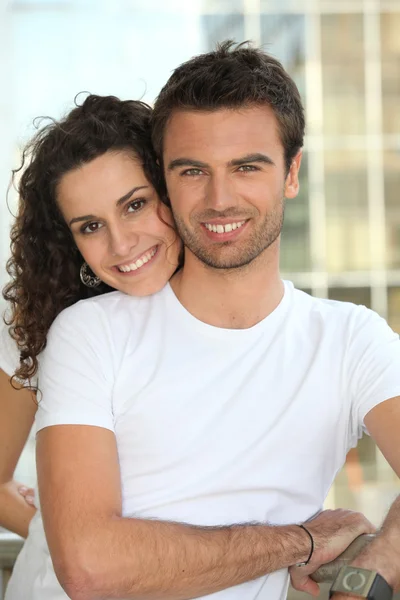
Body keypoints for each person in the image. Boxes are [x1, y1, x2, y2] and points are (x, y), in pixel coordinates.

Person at [6, 42, 400, 600]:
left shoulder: (351, 338)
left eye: (246, 167)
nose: (219, 199)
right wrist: (301, 541)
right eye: (193, 171)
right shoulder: (91, 331)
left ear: (291, 173)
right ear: (167, 180)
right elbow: (90, 568)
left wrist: (380, 561)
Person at [0, 93, 181, 539]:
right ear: (69, 239)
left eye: (134, 204)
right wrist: (57, 541)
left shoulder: (236, 306)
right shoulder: (38, 319)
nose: (121, 245)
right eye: (91, 226)